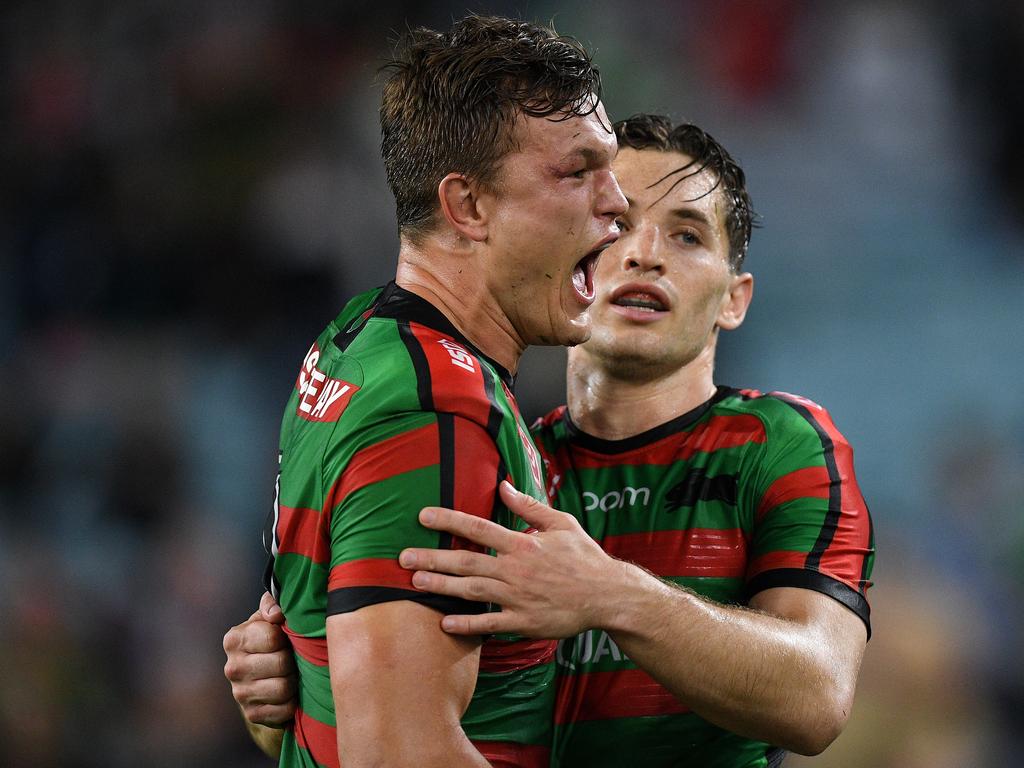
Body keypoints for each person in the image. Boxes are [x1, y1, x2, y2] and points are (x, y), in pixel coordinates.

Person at [226, 115, 875, 766]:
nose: (645, 252)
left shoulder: (781, 446)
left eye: (686, 235)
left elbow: (818, 698)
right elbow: (400, 722)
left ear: (734, 300)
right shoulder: (483, 457)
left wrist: (610, 594)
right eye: (618, 221)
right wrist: (286, 694)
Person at [240, 14, 625, 768]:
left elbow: (333, 692)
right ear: (468, 207)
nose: (616, 202)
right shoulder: (435, 409)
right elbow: (397, 755)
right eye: (576, 172)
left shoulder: (354, 339)